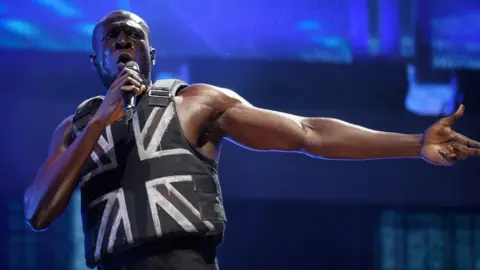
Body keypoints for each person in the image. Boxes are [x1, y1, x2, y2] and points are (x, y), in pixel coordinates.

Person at [24, 10, 479, 270]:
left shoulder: (195, 102)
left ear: (151, 54)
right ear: (95, 57)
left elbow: (308, 132)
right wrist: (101, 121)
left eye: (134, 36)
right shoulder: (75, 128)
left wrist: (414, 141)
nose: (123, 43)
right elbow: (37, 213)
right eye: (112, 37)